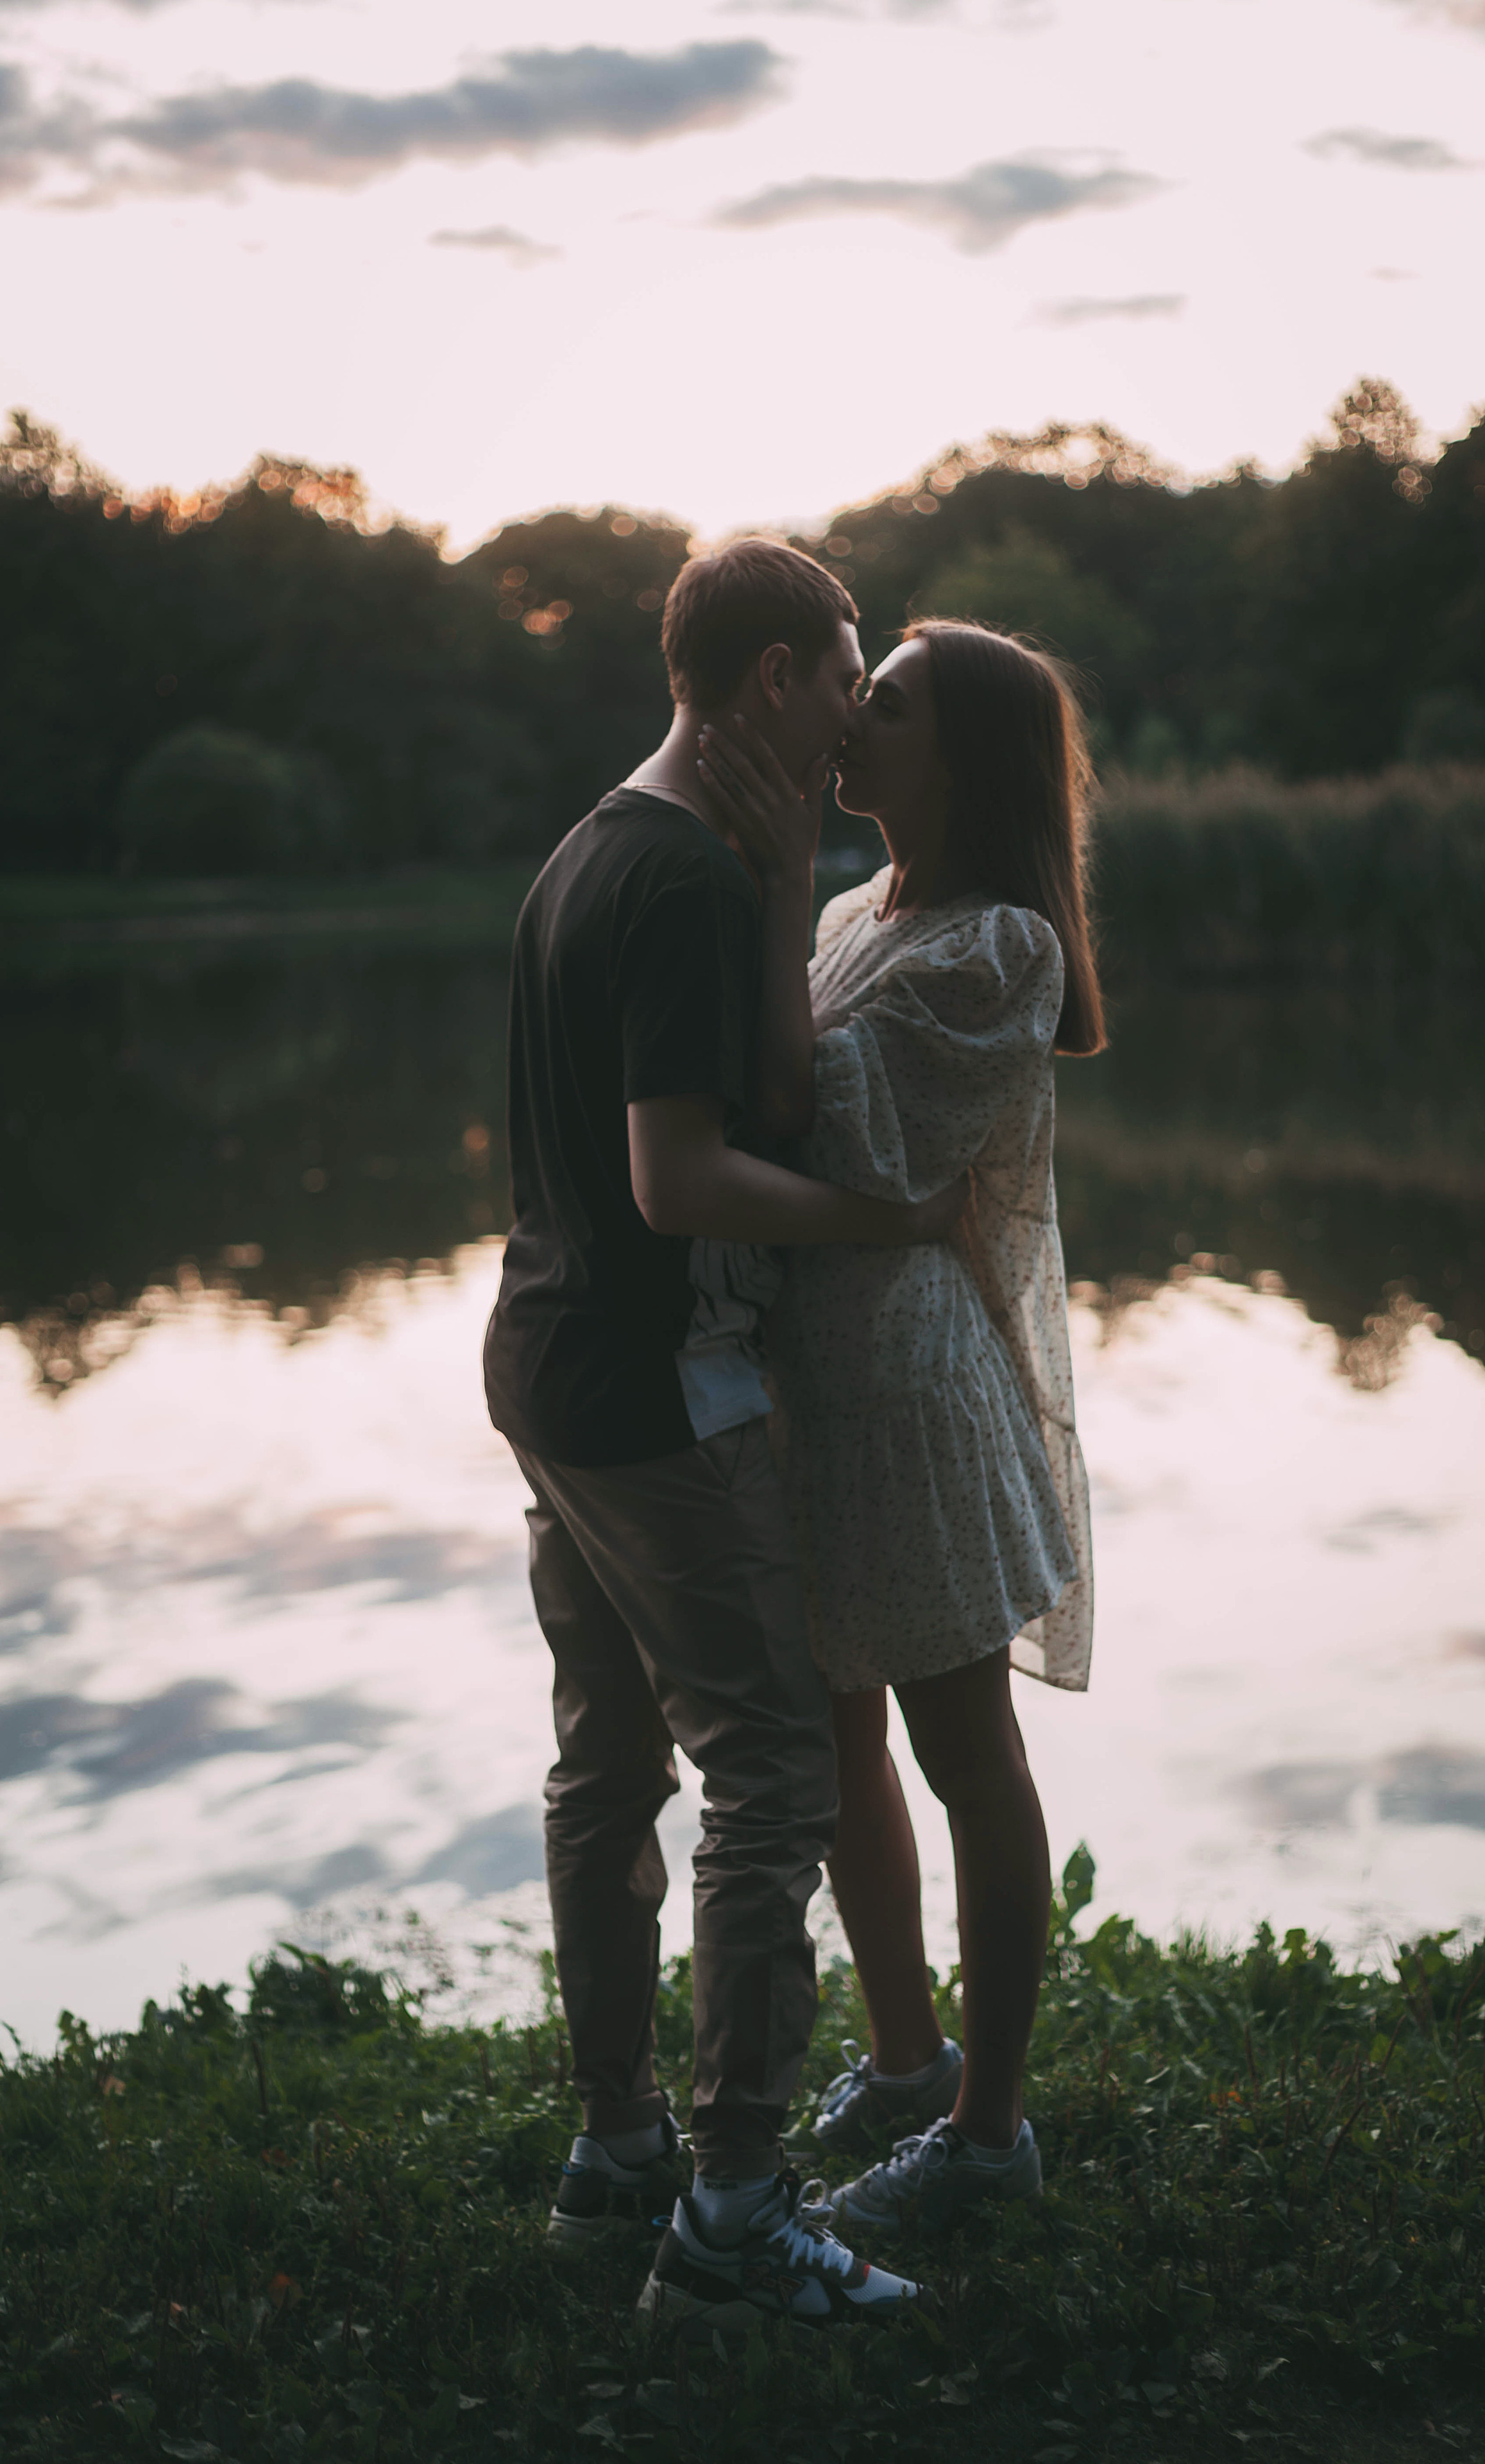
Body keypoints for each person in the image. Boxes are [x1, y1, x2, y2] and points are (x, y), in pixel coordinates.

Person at [482, 540, 963, 2333]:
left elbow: (740, 1088)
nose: (853, 706)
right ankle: (736, 2221)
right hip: (662, 1391)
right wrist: (895, 1222)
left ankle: (616, 2153)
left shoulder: (597, 844)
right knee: (767, 1776)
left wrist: (781, 885)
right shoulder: (678, 882)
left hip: (546, 1367)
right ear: (771, 676)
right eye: (842, 668)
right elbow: (687, 1174)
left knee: (608, 1769)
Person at [694, 617, 1102, 2237]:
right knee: (839, 1732)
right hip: (812, 1382)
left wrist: (774, 859)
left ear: (971, 756)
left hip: (912, 1394)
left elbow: (810, 1119)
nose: (850, 721)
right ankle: (903, 2055)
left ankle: (987, 2136)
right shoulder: (866, 908)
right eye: (856, 698)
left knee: (960, 1750)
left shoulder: (1005, 947)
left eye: (890, 704)